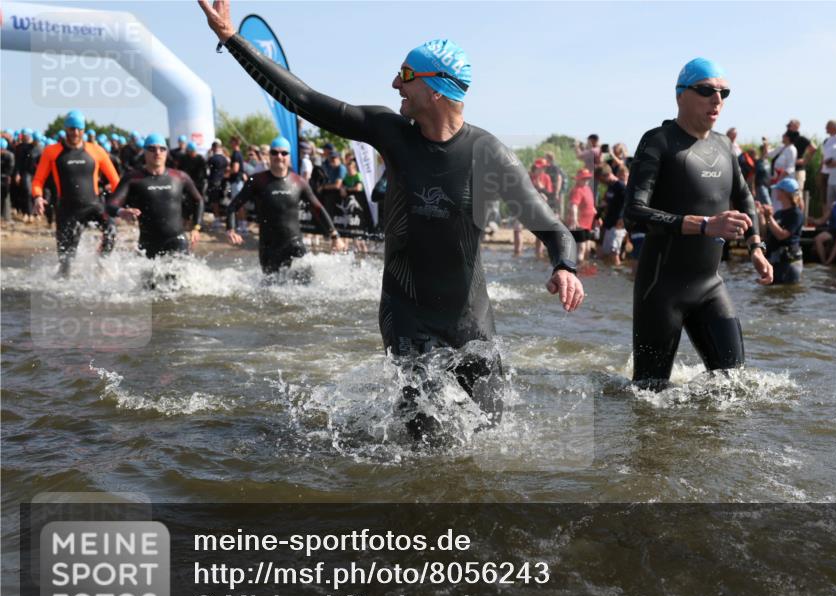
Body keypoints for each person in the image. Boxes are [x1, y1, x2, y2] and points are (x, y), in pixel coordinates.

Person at [199, 0, 582, 433]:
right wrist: (233, 40)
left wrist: (565, 266)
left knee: (492, 436)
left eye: (405, 75)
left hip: (472, 323)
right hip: (407, 317)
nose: (394, 84)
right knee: (424, 444)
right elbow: (304, 100)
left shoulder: (488, 154)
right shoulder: (390, 132)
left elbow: (551, 227)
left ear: (435, 89)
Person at [623, 57, 772, 388]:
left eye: (723, 92)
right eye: (706, 90)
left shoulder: (724, 145)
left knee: (735, 385)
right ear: (680, 95)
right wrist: (704, 225)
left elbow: (745, 199)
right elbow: (634, 213)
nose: (716, 99)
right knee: (649, 393)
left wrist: (756, 248)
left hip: (710, 286)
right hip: (661, 290)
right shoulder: (658, 141)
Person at [226, 136, 343, 273]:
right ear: (269, 155)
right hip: (269, 249)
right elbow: (233, 206)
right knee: (271, 286)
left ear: (289, 156)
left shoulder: (299, 182)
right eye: (274, 152)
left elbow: (318, 209)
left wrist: (335, 236)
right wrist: (231, 229)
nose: (279, 156)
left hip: (295, 246)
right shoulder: (257, 181)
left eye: (284, 153)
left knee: (305, 284)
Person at [31, 110, 120, 276]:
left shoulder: (97, 151)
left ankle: (100, 264)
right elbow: (38, 180)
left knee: (111, 231)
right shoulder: (52, 152)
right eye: (72, 128)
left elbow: (116, 182)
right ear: (66, 128)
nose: (76, 132)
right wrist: (37, 197)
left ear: (84, 130)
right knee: (66, 264)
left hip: (94, 206)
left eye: (79, 129)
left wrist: (120, 205)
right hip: (67, 211)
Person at [105, 133, 205, 258]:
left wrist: (197, 227)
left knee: (181, 270)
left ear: (166, 152)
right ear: (144, 152)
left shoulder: (179, 177)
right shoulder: (133, 178)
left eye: (162, 149)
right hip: (148, 244)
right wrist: (121, 211)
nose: (157, 152)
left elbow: (198, 200)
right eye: (152, 149)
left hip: (177, 241)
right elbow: (110, 205)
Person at [758, 177, 803, 284]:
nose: (776, 192)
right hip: (775, 260)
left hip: (789, 263)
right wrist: (761, 215)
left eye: (778, 190)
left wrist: (769, 217)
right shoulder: (778, 213)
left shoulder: (796, 214)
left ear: (785, 193)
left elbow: (781, 235)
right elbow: (765, 233)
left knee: (787, 291)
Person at [597, 165, 628, 265]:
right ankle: (608, 273)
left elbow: (627, 203)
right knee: (606, 253)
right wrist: (598, 217)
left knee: (614, 253)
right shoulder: (611, 187)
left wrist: (622, 218)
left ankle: (617, 272)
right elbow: (604, 203)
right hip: (609, 224)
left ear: (607, 175)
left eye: (601, 179)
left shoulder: (621, 186)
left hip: (618, 224)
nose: (601, 182)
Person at [567, 168, 597, 262]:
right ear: (578, 179)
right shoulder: (577, 190)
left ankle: (584, 266)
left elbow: (590, 204)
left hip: (588, 223)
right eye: (584, 178)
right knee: (581, 248)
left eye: (587, 178)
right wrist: (574, 219)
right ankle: (578, 266)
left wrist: (595, 213)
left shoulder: (587, 189)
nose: (586, 180)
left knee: (587, 248)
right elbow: (574, 205)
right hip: (580, 224)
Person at [766, 132, 797, 211]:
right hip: (776, 179)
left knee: (782, 201)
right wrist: (766, 144)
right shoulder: (781, 147)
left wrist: (779, 178)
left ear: (788, 138)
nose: (782, 137)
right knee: (775, 199)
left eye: (784, 136)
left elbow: (791, 167)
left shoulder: (792, 149)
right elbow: (769, 154)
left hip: (784, 180)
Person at [817, 120, 836, 209]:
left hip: (834, 173)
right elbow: (823, 156)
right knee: (824, 198)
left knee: (834, 198)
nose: (826, 128)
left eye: (828, 126)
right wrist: (820, 171)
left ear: (834, 127)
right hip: (824, 171)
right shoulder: (827, 140)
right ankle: (825, 216)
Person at [786, 119, 815, 192]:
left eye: (790, 125)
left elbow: (813, 148)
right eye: (788, 125)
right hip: (787, 170)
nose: (788, 127)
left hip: (798, 170)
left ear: (797, 126)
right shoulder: (787, 139)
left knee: (797, 192)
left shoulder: (801, 139)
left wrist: (805, 160)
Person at [1, 138, 13, 221]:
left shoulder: (10, 155)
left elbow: (11, 168)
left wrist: (8, 176)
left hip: (5, 177)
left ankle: (6, 216)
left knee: (6, 196)